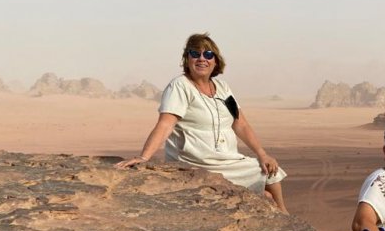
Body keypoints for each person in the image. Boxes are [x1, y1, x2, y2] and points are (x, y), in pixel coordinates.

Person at [115, 33, 288, 213]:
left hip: (226, 160)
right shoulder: (180, 86)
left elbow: (241, 124)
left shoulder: (223, 88)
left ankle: (284, 213)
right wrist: (144, 158)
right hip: (198, 162)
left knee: (269, 171)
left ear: (216, 61)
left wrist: (262, 154)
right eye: (195, 54)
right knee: (265, 194)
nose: (201, 59)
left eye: (208, 54)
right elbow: (165, 124)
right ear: (187, 58)